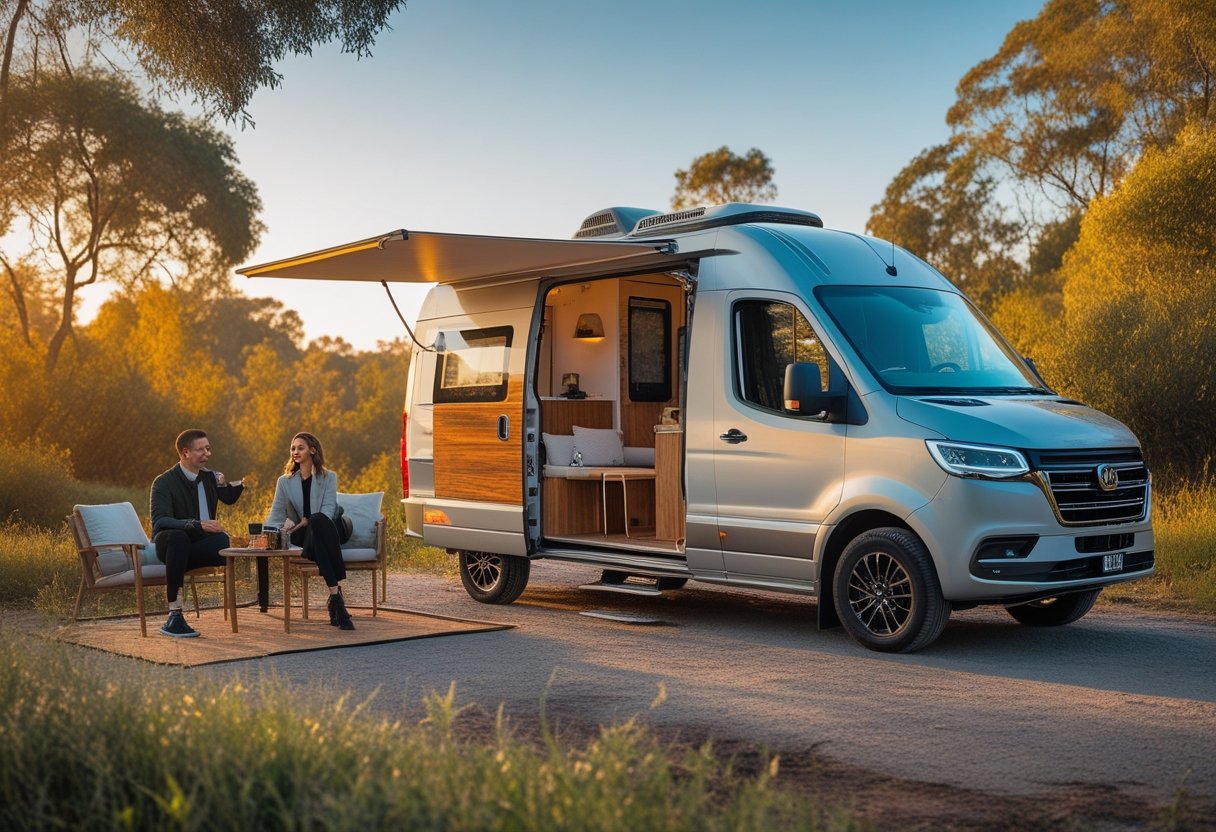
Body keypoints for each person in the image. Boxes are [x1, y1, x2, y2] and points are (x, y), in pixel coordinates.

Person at [150, 429, 245, 638]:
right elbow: (161, 521)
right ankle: (174, 614)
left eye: (208, 448)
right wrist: (196, 524)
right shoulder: (163, 482)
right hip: (170, 542)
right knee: (178, 538)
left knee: (223, 539)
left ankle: (179, 564)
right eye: (200, 450)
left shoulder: (209, 477)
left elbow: (228, 498)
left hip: (197, 546)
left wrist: (232, 484)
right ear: (185, 453)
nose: (207, 454)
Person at [265, 432, 354, 630]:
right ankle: (335, 595)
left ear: (312, 450)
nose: (295, 452)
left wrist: (308, 521)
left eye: (300, 448)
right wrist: (267, 532)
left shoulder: (328, 477)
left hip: (331, 527)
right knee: (316, 534)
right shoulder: (285, 481)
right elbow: (276, 513)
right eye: (293, 448)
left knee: (317, 521)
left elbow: (328, 511)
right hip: (309, 535)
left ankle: (335, 598)